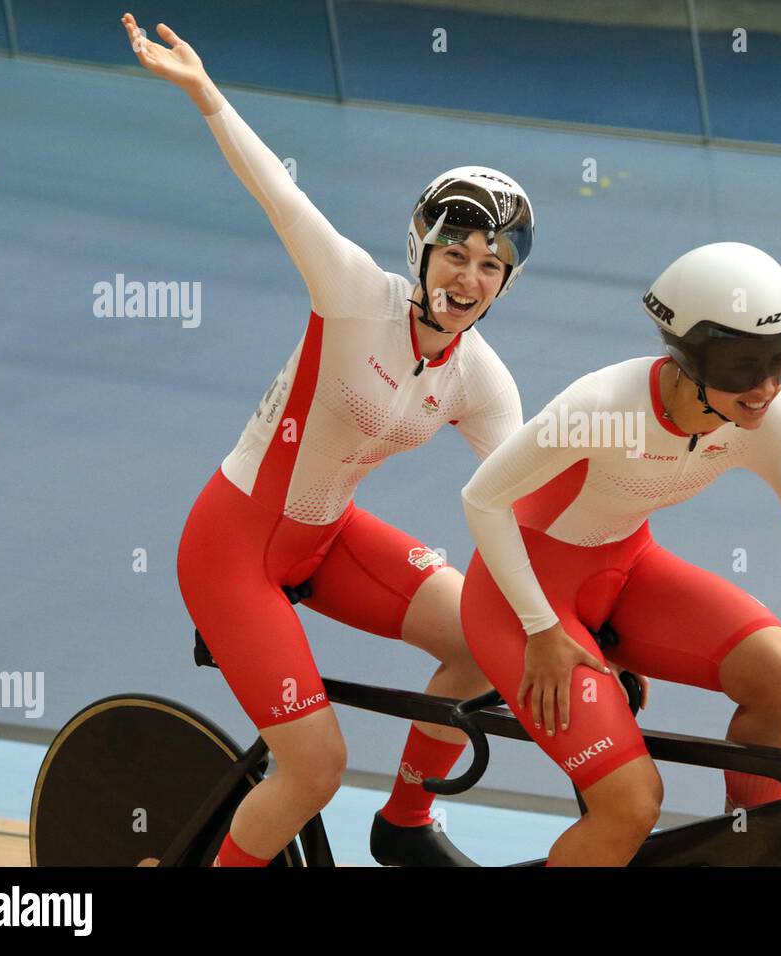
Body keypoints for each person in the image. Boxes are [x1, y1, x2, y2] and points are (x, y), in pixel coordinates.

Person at [121, 14, 534, 867]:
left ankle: (408, 823)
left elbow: (533, 502)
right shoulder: (354, 293)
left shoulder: (480, 377)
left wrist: (583, 622)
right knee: (314, 769)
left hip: (329, 537)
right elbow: (278, 191)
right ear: (420, 249)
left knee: (488, 642)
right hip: (232, 548)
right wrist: (208, 95)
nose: (467, 277)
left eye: (489, 265)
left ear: (505, 282)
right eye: (454, 252)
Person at [459, 242, 781, 866]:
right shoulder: (604, 406)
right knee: (629, 804)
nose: (764, 388)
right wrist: (541, 628)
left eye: (778, 360)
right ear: (687, 357)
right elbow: (482, 499)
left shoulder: (775, 416)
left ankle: (751, 847)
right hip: (519, 599)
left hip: (623, 568)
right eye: (741, 366)